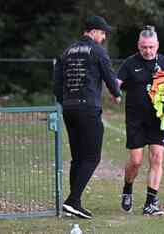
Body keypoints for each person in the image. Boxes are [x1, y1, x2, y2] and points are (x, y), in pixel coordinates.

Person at [54, 15, 121, 219]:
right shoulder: (97, 50)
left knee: (78, 158)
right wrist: (117, 93)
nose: (103, 37)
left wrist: (64, 100)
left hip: (68, 108)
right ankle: (73, 201)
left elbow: (57, 82)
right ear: (92, 31)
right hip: (88, 108)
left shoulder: (67, 52)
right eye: (102, 33)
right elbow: (108, 74)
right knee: (92, 157)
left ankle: (75, 204)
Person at [117, 25, 164, 216]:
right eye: (144, 47)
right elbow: (116, 84)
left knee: (157, 157)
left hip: (158, 119)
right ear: (138, 45)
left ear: (157, 45)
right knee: (136, 161)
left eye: (151, 47)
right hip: (135, 119)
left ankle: (151, 203)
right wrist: (114, 92)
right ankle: (127, 188)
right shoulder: (129, 63)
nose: (147, 51)